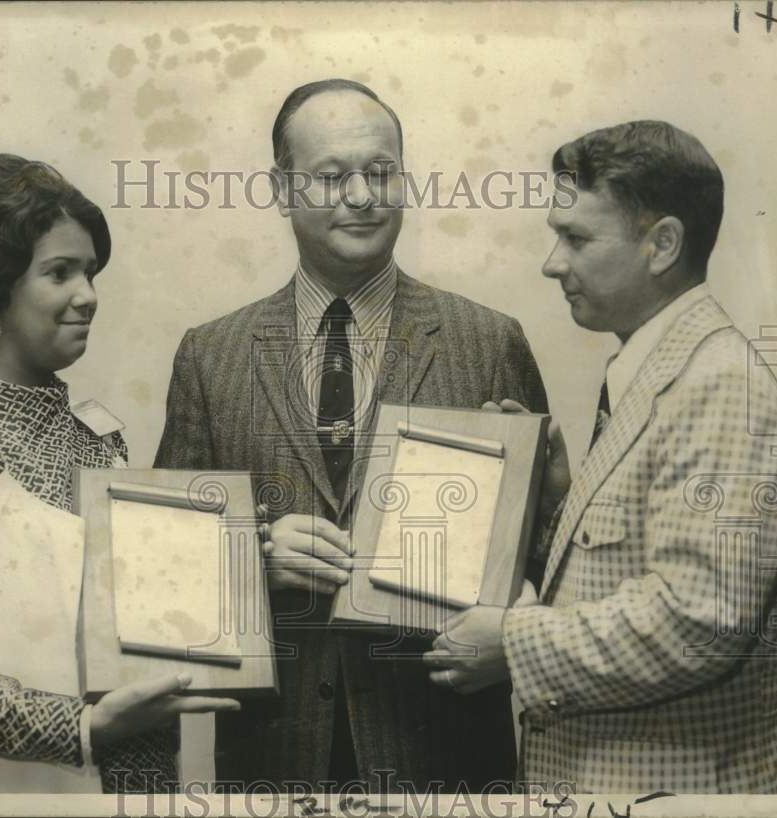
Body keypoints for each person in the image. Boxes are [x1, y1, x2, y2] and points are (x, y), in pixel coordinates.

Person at [155, 79, 548, 792]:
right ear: (281, 189)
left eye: (382, 171)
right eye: (332, 177)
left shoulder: (488, 341)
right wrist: (255, 560)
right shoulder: (210, 355)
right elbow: (157, 580)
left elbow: (550, 554)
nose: (363, 195)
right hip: (272, 761)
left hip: (449, 760)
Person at [423, 121, 777, 793]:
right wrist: (555, 505)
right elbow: (624, 577)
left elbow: (698, 622)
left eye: (576, 238)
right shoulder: (657, 369)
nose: (551, 262)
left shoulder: (720, 385)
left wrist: (512, 644)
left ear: (662, 245)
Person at [0, 154, 239, 794]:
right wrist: (83, 728)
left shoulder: (101, 439)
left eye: (91, 273)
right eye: (60, 273)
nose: (88, 296)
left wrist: (245, 560)